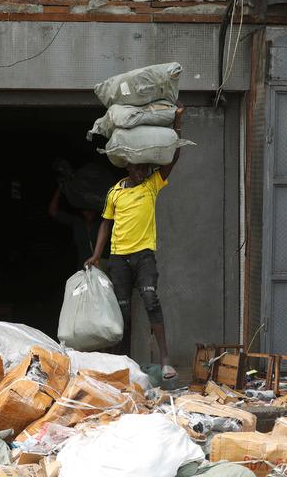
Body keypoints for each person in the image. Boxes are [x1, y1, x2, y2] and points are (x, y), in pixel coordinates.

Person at [84, 103, 185, 381]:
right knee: (122, 311)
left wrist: (177, 124)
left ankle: (165, 359)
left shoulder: (152, 185)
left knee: (151, 300)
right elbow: (106, 223)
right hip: (118, 258)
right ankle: (121, 363)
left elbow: (174, 158)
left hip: (143, 255)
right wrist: (96, 255)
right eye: (136, 168)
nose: (141, 172)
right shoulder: (115, 192)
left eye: (144, 168)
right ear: (127, 165)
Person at [48, 186, 108, 270]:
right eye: (85, 210)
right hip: (83, 266)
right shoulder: (76, 222)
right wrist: (60, 189)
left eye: (91, 210)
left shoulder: (103, 223)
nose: (89, 213)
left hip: (101, 265)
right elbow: (52, 211)